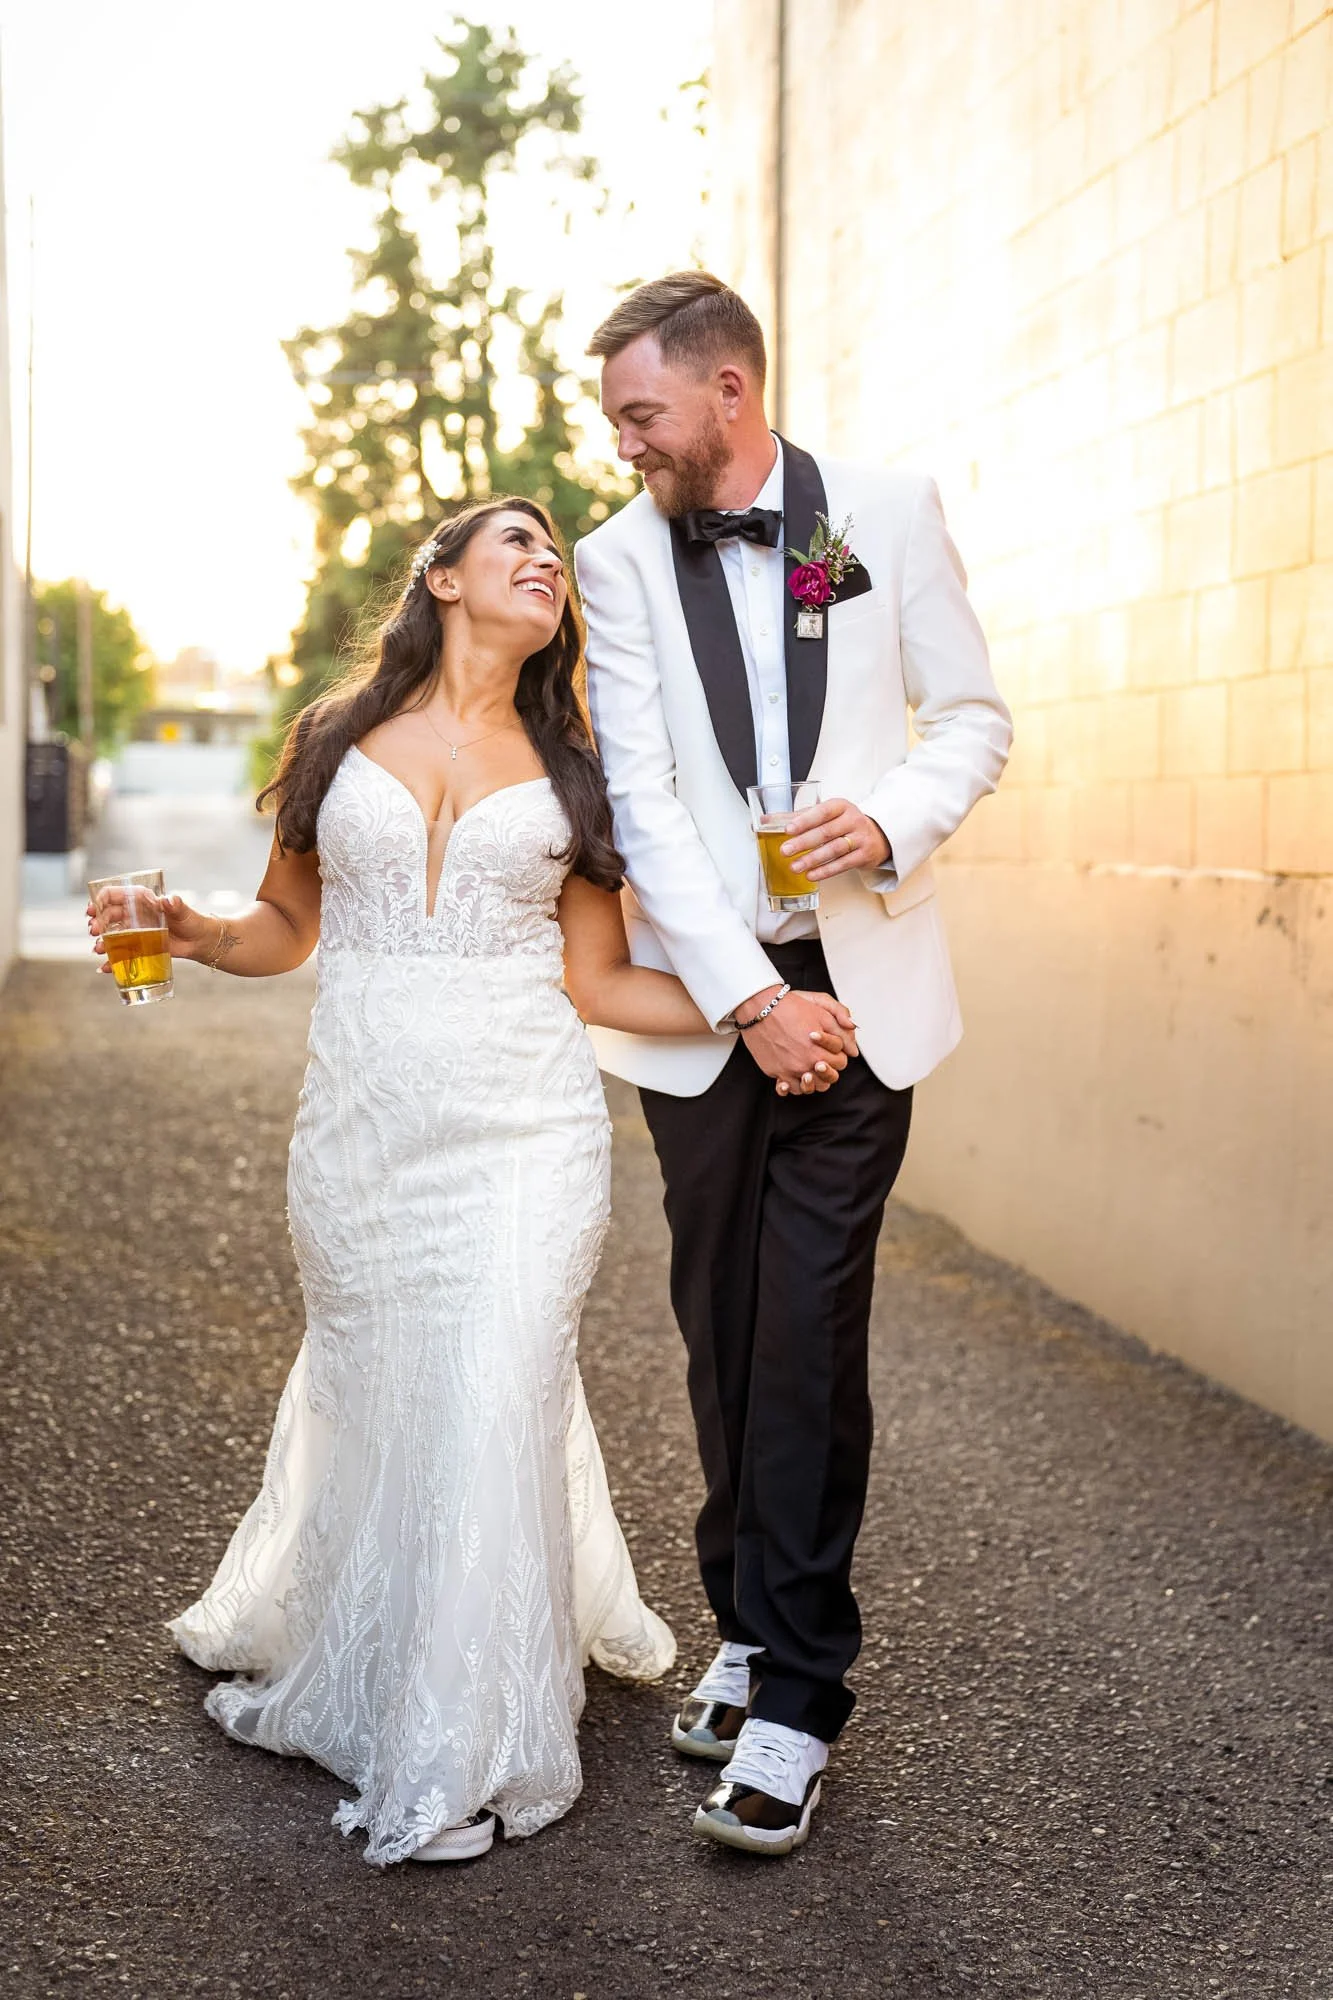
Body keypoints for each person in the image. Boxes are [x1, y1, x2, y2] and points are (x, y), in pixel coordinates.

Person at [87, 494, 859, 1866]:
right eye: (518, 543)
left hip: (523, 1133)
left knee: (497, 1380)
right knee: (392, 1390)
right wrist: (188, 931)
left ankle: (459, 1756)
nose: (548, 562)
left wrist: (760, 1005)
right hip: (364, 1132)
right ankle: (380, 1649)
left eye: (557, 551)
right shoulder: (333, 738)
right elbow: (285, 927)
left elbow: (600, 979)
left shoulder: (579, 766)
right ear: (442, 579)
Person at [575, 273, 1013, 1856]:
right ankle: (747, 1621)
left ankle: (797, 1698)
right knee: (723, 1326)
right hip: (713, 1008)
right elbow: (646, 799)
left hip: (870, 988)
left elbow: (972, 716)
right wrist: (754, 999)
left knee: (810, 1331)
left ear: (731, 393)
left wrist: (892, 815)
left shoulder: (883, 512)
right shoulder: (621, 564)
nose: (621, 442)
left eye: (642, 413)